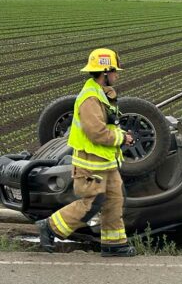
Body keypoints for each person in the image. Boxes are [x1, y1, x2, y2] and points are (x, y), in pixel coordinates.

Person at [36, 48, 136, 257]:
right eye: (114, 71)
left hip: (106, 161)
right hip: (91, 163)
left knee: (114, 201)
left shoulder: (102, 94)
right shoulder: (90, 98)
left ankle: (114, 244)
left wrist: (120, 134)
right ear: (105, 72)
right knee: (92, 203)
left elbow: (108, 125)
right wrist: (121, 138)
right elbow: (96, 132)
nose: (117, 75)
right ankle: (49, 227)